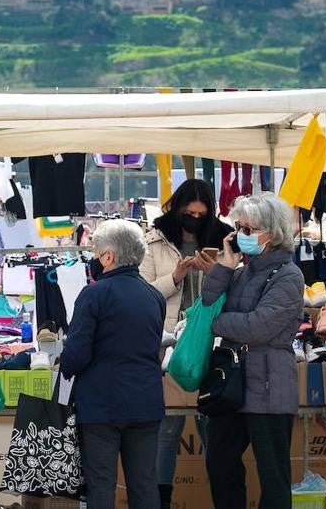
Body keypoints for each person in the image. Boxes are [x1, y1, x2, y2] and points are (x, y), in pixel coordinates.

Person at [196, 193, 305, 509]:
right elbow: (207, 304)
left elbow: (258, 327)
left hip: (269, 389)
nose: (239, 235)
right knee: (220, 466)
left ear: (271, 233)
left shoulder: (288, 275)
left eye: (248, 229)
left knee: (273, 478)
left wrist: (219, 322)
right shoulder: (240, 272)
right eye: (238, 227)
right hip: (231, 384)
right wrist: (223, 268)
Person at [60, 219, 166, 509]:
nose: (94, 257)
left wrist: (65, 363)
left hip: (101, 405)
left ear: (109, 256)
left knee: (101, 486)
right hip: (146, 401)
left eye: (96, 251)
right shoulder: (154, 296)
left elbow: (76, 354)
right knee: (144, 484)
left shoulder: (93, 294)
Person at [138, 178, 229, 508]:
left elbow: (235, 293)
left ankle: (220, 495)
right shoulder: (155, 240)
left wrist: (217, 272)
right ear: (176, 209)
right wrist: (175, 276)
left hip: (210, 339)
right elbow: (143, 294)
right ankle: (163, 499)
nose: (194, 219)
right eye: (188, 213)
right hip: (167, 342)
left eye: (201, 214)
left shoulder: (224, 239)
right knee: (168, 426)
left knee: (212, 424)